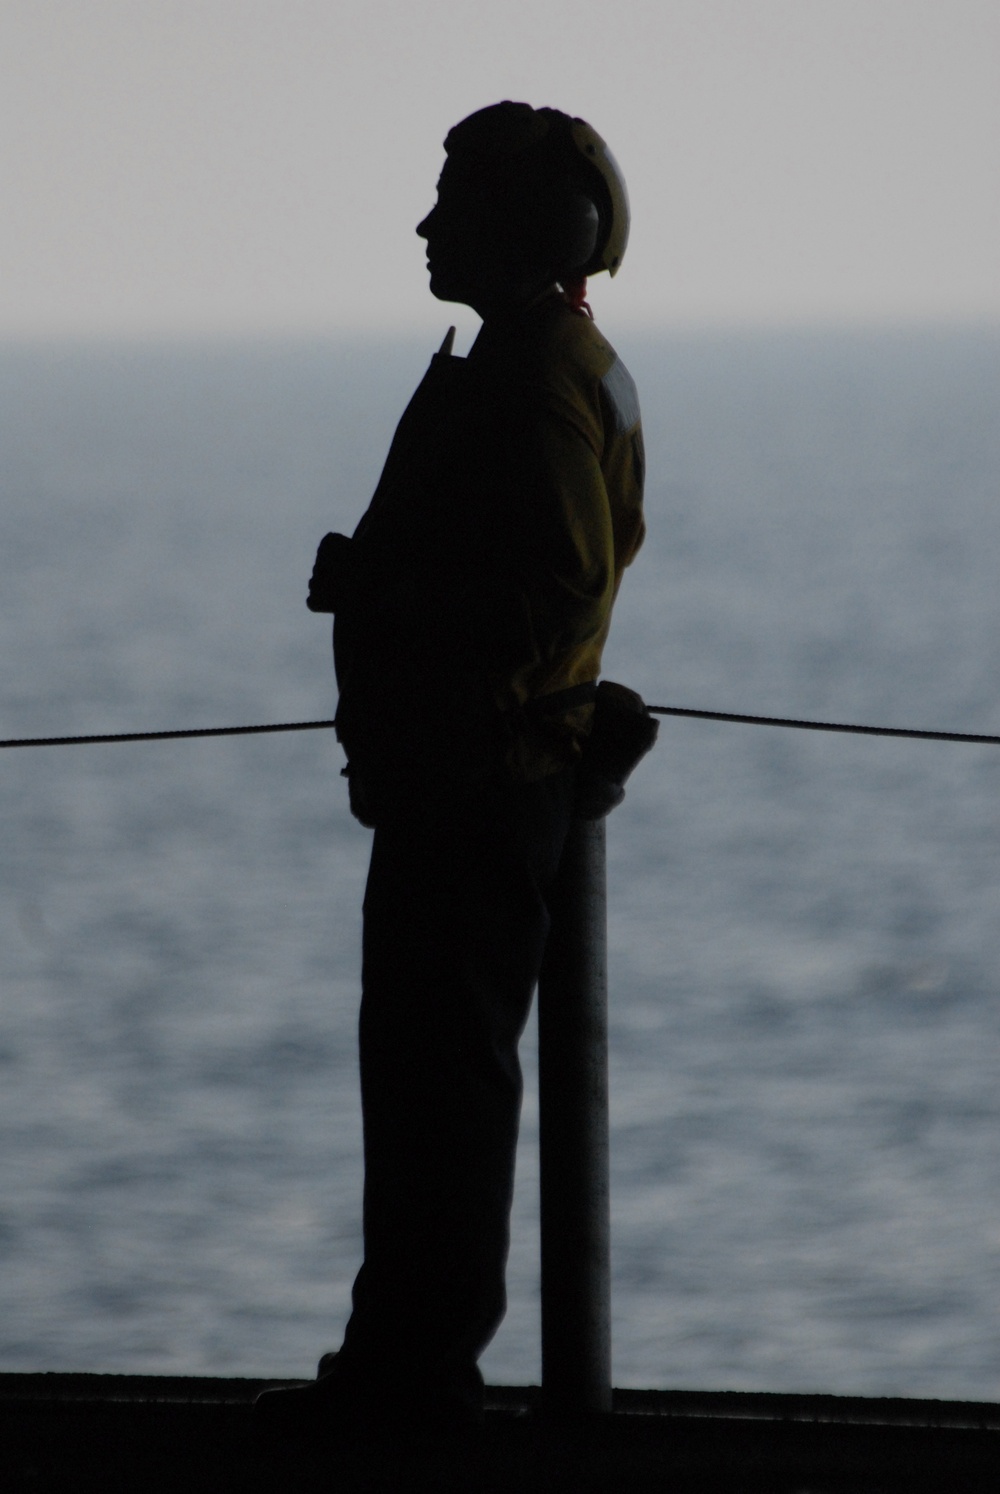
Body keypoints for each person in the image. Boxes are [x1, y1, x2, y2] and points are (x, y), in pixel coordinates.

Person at [254, 100, 646, 1448]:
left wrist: (383, 590)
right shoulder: (553, 361)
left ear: (521, 230)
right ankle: (404, 1356)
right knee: (439, 1081)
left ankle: (410, 1376)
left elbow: (547, 588)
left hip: (474, 790)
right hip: (485, 779)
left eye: (452, 205)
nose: (426, 226)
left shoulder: (533, 385)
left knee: (437, 1087)